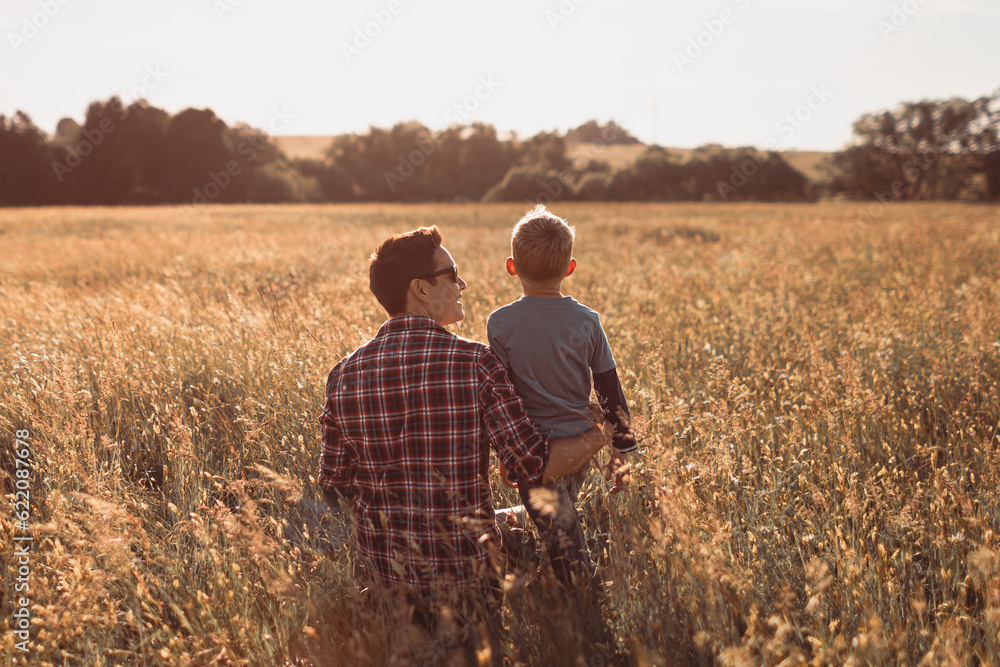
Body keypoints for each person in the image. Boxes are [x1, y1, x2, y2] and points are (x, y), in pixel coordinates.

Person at [317, 226, 609, 655]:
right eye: (452, 274)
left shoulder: (343, 374)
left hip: (387, 584)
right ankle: (586, 633)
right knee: (551, 525)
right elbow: (534, 466)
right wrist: (603, 429)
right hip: (469, 584)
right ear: (419, 289)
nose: (462, 284)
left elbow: (335, 487)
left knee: (513, 519)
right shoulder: (474, 363)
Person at [487, 205, 637, 589]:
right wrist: (622, 450)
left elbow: (502, 394)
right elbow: (609, 385)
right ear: (570, 267)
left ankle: (578, 593)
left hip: (534, 447)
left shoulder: (500, 323)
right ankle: (575, 585)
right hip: (581, 442)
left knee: (559, 524)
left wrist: (507, 452)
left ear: (512, 267)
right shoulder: (587, 320)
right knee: (562, 524)